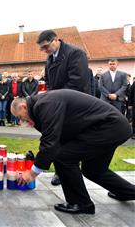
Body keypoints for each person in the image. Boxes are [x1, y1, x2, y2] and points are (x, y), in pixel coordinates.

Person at [11, 89, 135, 214]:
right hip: (111, 127)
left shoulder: (45, 104)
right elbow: (58, 137)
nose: (22, 121)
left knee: (62, 157)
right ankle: (127, 192)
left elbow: (50, 142)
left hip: (108, 127)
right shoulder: (41, 104)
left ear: (23, 106)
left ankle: (80, 203)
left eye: (20, 117)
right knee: (94, 170)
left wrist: (32, 173)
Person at [37, 29, 91, 186]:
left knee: (71, 139)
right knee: (58, 138)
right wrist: (46, 94)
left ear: (55, 40)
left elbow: (77, 82)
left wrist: (55, 97)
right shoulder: (50, 58)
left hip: (74, 104)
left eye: (46, 46)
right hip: (58, 104)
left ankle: (69, 172)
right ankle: (60, 171)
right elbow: (48, 81)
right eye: (42, 48)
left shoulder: (75, 53)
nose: (44, 51)